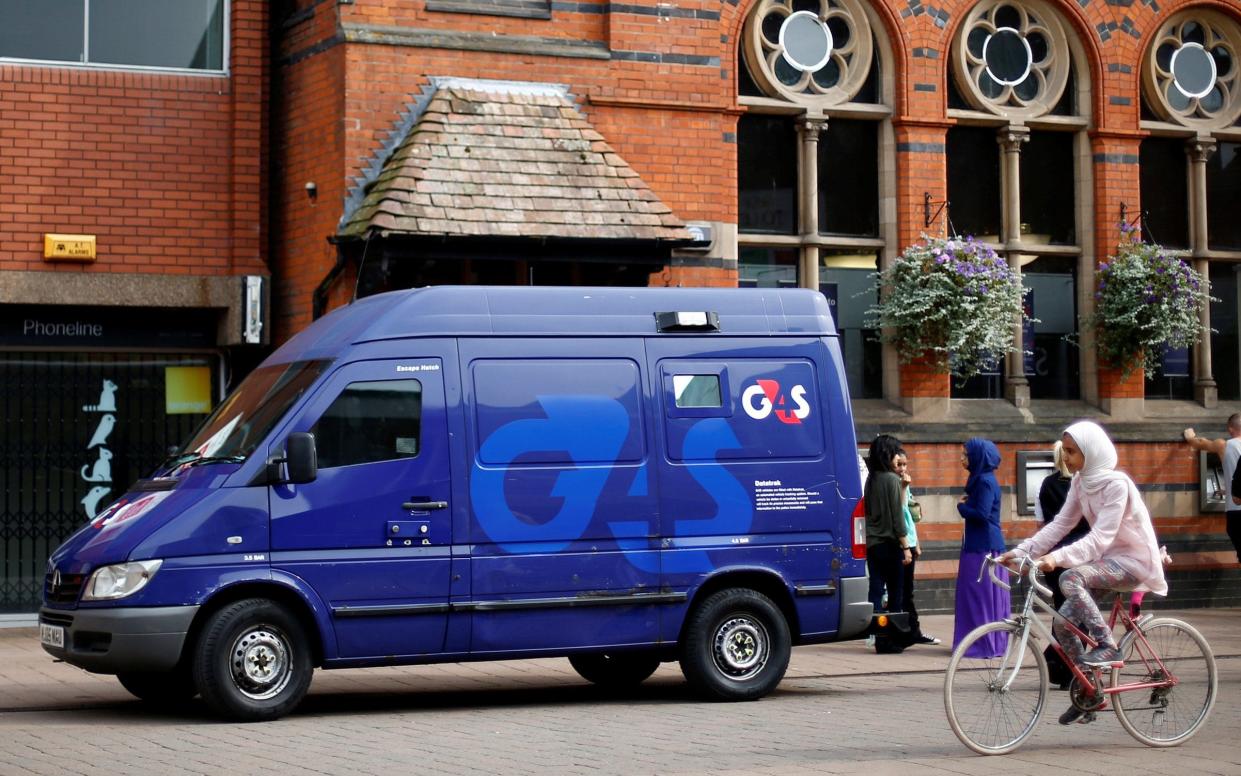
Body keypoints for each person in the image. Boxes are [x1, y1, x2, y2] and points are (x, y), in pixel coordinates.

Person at [1000, 420, 1167, 726]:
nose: (1066, 458)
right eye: (1064, 451)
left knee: (1070, 577)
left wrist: (1057, 558)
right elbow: (1061, 524)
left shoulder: (1117, 484)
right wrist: (1022, 552)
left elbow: (1100, 537)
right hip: (1108, 562)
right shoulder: (1080, 482)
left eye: (1072, 451)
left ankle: (1107, 645)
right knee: (1063, 625)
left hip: (1132, 561)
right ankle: (1091, 690)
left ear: (1092, 451)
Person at [1036, 440, 1090, 688]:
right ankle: (1075, 669)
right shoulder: (1084, 484)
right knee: (1080, 617)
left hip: (1055, 558)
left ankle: (1062, 668)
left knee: (1061, 614)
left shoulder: (1047, 484)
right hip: (1083, 557)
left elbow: (1046, 524)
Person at [953, 438, 1010, 658]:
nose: (962, 458)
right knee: (977, 594)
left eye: (965, 454)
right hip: (979, 544)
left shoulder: (984, 481)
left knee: (980, 595)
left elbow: (982, 515)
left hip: (983, 547)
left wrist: (962, 507)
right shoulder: (981, 480)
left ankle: (984, 643)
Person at [864, 434, 911, 641]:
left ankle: (874, 633)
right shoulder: (892, 479)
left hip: (873, 543)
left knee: (875, 589)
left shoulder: (871, 479)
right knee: (895, 592)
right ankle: (892, 636)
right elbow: (897, 517)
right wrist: (906, 546)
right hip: (890, 543)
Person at [894, 448, 940, 646]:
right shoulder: (894, 483)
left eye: (905, 464)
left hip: (910, 542)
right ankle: (910, 631)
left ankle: (911, 631)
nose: (903, 468)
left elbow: (909, 518)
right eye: (899, 464)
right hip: (901, 543)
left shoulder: (904, 483)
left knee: (907, 590)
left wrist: (917, 543)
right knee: (903, 592)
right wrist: (904, 487)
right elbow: (900, 509)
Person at [1184, 416, 1241, 563]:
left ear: (1230, 429)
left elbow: (1201, 444)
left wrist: (1190, 437)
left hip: (1235, 511)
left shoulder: (1224, 445)